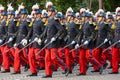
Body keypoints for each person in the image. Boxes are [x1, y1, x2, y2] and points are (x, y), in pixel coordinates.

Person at [42, 13, 69, 78]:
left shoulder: (55, 20)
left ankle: (65, 67)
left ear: (52, 12)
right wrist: (43, 39)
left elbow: (61, 30)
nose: (48, 12)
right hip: (48, 41)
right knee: (47, 58)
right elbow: (46, 31)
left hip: (53, 42)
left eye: (50, 11)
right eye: (48, 11)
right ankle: (48, 73)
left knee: (53, 57)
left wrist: (55, 37)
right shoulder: (49, 20)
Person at [109, 7, 120, 74]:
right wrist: (111, 39)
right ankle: (115, 70)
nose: (117, 17)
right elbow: (112, 32)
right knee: (114, 56)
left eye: (118, 15)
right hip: (115, 41)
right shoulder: (115, 23)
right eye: (117, 15)